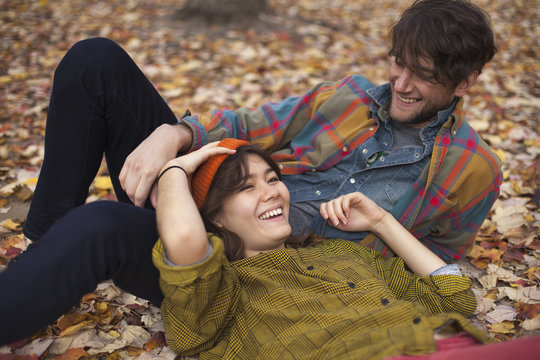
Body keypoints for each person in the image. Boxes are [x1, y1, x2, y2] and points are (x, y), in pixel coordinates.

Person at [0, 0, 500, 345]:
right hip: (214, 186)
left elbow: (435, 263)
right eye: (399, 64)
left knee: (103, 227)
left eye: (424, 75)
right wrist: (173, 137)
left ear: (465, 81)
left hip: (247, 271)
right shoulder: (348, 95)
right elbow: (248, 123)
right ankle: (44, 244)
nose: (402, 84)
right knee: (96, 60)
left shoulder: (473, 171)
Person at [154, 139, 539, 359]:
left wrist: (382, 223)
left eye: (272, 178)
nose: (271, 190)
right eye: (246, 187)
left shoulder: (343, 255)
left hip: (452, 345)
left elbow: (455, 299)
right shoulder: (223, 294)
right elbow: (185, 239)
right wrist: (174, 170)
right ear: (216, 218)